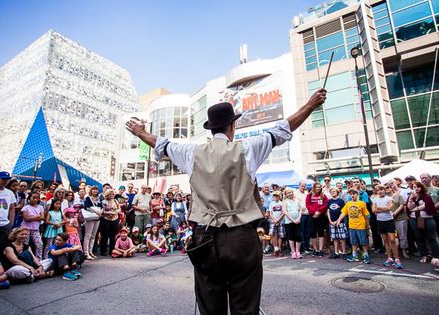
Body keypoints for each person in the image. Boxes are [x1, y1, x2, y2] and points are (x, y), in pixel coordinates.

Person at [126, 88, 327, 314]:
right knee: (246, 307)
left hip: (205, 238)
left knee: (211, 307)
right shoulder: (248, 148)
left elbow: (161, 143)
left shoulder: (191, 153)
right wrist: (310, 105)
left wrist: (139, 132)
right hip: (242, 239)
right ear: (233, 126)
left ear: (211, 130)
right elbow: (283, 129)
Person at [406, 181, 439, 262]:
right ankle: (423, 255)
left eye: (418, 187)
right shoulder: (411, 196)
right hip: (414, 219)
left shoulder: (426, 196)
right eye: (414, 187)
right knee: (419, 238)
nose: (416, 188)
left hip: (427, 218)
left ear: (422, 188)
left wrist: (415, 209)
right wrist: (410, 200)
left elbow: (426, 206)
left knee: (431, 238)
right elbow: (409, 207)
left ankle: (436, 256)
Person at [336, 189, 371, 264]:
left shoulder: (361, 203)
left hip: (360, 225)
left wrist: (367, 225)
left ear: (357, 194)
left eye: (354, 194)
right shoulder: (348, 203)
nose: (352, 195)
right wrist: (339, 220)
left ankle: (366, 255)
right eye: (351, 194)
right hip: (352, 226)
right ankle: (354, 255)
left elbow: (367, 215)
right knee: (353, 242)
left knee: (363, 242)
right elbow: (343, 213)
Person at [372, 185, 403, 269]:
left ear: (384, 190)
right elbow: (373, 210)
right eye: (378, 190)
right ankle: (389, 258)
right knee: (385, 240)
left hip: (389, 221)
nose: (380, 191)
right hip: (380, 222)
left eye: (381, 189)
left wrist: (378, 208)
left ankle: (397, 258)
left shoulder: (389, 198)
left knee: (392, 240)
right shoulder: (375, 199)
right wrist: (383, 209)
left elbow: (389, 208)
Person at [420, 173, 439, 252]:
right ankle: (430, 252)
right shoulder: (419, 190)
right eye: (422, 178)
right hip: (424, 216)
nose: (424, 179)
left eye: (425, 177)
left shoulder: (438, 189)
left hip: (438, 214)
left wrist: (430, 208)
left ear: (430, 178)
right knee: (426, 235)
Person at [386, 181, 409, 259]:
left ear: (391, 188)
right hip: (389, 220)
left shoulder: (398, 195)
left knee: (402, 235)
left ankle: (404, 250)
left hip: (400, 218)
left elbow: (402, 205)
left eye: (388, 187)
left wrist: (395, 213)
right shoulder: (384, 198)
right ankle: (394, 251)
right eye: (385, 188)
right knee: (392, 237)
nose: (387, 189)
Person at [306, 182, 329, 257]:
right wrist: (314, 212)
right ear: (314, 187)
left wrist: (319, 211)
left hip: (321, 216)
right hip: (312, 216)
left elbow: (326, 204)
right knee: (312, 233)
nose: (318, 188)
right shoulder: (309, 195)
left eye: (319, 187)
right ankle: (315, 249)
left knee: (321, 232)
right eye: (316, 187)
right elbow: (308, 205)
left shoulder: (323, 195)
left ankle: (321, 250)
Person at [20, 191, 45, 260]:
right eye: (33, 197)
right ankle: (24, 258)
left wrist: (32, 217)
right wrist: (37, 217)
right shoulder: (26, 207)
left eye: (37, 198)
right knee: (25, 244)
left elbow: (42, 217)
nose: (35, 199)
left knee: (39, 244)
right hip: (25, 229)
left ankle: (38, 259)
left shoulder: (40, 207)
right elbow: (27, 218)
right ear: (29, 198)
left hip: (35, 229)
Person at [326, 188, 347, 259]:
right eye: (331, 192)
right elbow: (328, 211)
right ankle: (336, 252)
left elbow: (343, 212)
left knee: (342, 238)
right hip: (332, 222)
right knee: (335, 238)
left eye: (334, 191)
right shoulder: (329, 201)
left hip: (340, 222)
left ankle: (344, 252)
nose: (332, 192)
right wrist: (330, 221)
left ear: (337, 192)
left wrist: (338, 220)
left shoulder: (341, 201)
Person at [99, 188, 121, 256]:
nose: (112, 195)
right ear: (107, 194)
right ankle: (103, 250)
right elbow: (101, 211)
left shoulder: (115, 201)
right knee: (104, 235)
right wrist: (109, 213)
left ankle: (112, 250)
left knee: (113, 235)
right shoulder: (103, 202)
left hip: (114, 219)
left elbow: (119, 209)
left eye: (113, 194)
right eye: (110, 194)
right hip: (105, 219)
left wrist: (114, 212)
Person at [83, 186, 102, 260]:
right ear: (91, 190)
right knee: (88, 235)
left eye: (96, 190)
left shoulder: (99, 199)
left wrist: (100, 212)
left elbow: (101, 207)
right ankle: (86, 252)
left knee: (93, 236)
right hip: (90, 218)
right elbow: (86, 207)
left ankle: (90, 251)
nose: (95, 191)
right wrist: (95, 211)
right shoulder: (88, 198)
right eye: (94, 189)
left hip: (97, 218)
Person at [282, 188, 302, 259]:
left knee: (298, 236)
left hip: (298, 221)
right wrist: (293, 220)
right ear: (286, 194)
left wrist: (298, 218)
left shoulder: (297, 200)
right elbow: (285, 212)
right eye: (288, 193)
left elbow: (300, 210)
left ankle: (297, 251)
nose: (289, 194)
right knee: (291, 236)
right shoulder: (285, 201)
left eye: (290, 192)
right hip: (289, 222)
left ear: (292, 193)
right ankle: (293, 252)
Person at [295, 181, 310, 253]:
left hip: (308, 214)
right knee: (301, 231)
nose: (303, 187)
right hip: (301, 214)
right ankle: (302, 248)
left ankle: (307, 247)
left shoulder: (307, 193)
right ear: (299, 185)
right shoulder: (295, 193)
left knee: (307, 231)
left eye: (304, 186)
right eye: (302, 186)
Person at [268, 191, 285, 257]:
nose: (276, 197)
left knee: (280, 235)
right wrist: (274, 220)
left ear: (279, 196)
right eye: (274, 196)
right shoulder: (271, 203)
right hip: (273, 221)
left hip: (280, 221)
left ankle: (280, 249)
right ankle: (276, 249)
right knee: (273, 235)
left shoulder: (282, 203)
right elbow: (270, 213)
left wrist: (278, 220)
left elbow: (283, 212)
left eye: (277, 196)